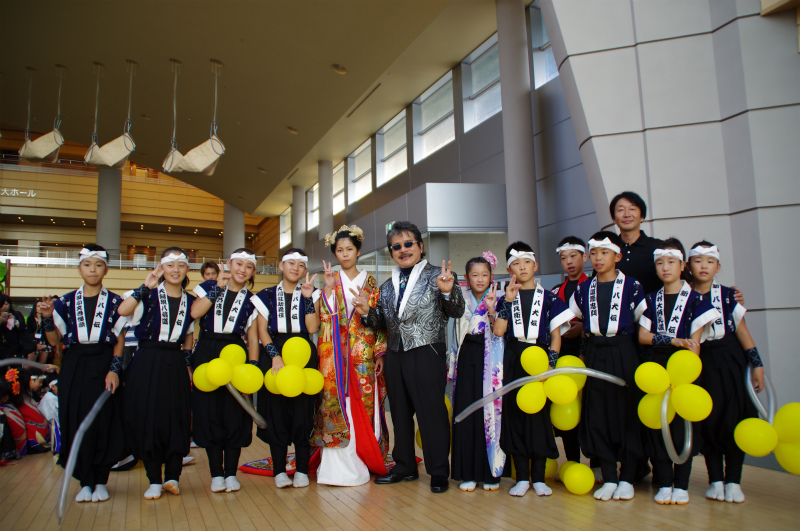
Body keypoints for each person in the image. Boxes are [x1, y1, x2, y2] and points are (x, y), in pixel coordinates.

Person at [354, 221, 465, 494]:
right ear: (391, 252)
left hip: (427, 352)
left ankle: (438, 471)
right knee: (400, 414)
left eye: (408, 244)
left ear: (420, 246)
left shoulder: (439, 275)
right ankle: (404, 465)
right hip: (395, 355)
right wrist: (367, 311)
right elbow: (382, 322)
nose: (402, 250)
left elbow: (457, 310)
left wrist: (447, 291)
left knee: (431, 414)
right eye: (396, 247)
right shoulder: (386, 286)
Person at [37, 244, 128, 503]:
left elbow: (120, 339)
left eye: (98, 265)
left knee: (104, 419)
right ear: (79, 269)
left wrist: (114, 370)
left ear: (106, 270)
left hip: (104, 361)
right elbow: (54, 340)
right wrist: (47, 317)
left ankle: (100, 480)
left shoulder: (116, 302)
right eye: (87, 265)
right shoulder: (65, 302)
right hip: (75, 363)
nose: (93, 270)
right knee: (75, 419)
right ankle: (84, 481)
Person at [638, 238, 719, 505]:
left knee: (684, 426)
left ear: (683, 265)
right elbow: (643, 336)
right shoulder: (651, 299)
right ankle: (664, 481)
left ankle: (681, 484)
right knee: (658, 425)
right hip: (657, 370)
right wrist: (673, 340)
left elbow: (694, 344)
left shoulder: (697, 300)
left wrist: (685, 358)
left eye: (671, 262)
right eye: (660, 263)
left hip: (684, 370)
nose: (665, 268)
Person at [568, 232, 647, 501]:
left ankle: (628, 478)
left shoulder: (633, 286)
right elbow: (572, 322)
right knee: (597, 415)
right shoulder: (583, 289)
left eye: (604, 252)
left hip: (624, 351)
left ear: (617, 256)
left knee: (626, 414)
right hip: (594, 352)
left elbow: (642, 324)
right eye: (593, 253)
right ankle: (610, 477)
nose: (598, 258)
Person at [493, 241, 574, 497]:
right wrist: (507, 301)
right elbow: (499, 331)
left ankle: (538, 477)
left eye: (527, 262)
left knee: (539, 418)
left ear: (535, 266)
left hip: (540, 357)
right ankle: (521, 478)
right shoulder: (506, 297)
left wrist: (552, 362)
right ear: (510, 269)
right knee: (515, 416)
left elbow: (556, 335)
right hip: (514, 358)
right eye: (516, 264)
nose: (522, 267)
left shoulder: (550, 298)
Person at [687, 241, 765, 504]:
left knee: (735, 417)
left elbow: (742, 331)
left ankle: (733, 480)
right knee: (709, 419)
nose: (704, 266)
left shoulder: (729, 296)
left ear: (718, 267)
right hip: (702, 360)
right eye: (698, 261)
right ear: (689, 265)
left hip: (731, 359)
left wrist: (757, 364)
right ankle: (715, 480)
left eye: (710, 261)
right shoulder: (685, 296)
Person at [313, 226, 390, 486]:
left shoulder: (371, 284)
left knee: (365, 405)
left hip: (363, 354)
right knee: (335, 404)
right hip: (335, 355)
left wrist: (380, 353)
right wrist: (327, 290)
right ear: (335, 253)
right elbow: (323, 318)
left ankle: (364, 457)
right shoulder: (331, 279)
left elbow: (380, 322)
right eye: (339, 250)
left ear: (358, 251)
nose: (345, 254)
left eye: (349, 249)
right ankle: (335, 462)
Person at [119, 248, 196, 500]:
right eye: (170, 265)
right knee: (148, 417)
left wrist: (187, 364)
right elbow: (123, 310)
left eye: (181, 265)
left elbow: (189, 336)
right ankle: (154, 479)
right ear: (161, 268)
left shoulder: (191, 301)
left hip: (175, 360)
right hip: (147, 360)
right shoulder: (148, 294)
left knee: (177, 416)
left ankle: (172, 477)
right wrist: (145, 286)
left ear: (186, 269)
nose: (176, 270)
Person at [190, 248, 260, 494]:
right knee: (209, 412)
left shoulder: (252, 300)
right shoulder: (209, 287)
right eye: (238, 264)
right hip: (207, 351)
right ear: (228, 264)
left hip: (235, 354)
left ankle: (231, 472)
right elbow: (195, 313)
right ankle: (216, 474)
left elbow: (252, 339)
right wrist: (217, 287)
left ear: (253, 271)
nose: (242, 270)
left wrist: (252, 368)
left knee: (234, 414)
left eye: (248, 266)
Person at [252, 248, 320, 489]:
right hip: (275, 352)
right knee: (276, 412)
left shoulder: (311, 292)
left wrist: (308, 298)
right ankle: (279, 470)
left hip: (303, 352)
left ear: (305, 270)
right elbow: (262, 330)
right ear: (281, 266)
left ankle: (302, 469)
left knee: (303, 412)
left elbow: (312, 328)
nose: (295, 268)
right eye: (291, 263)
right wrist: (275, 356)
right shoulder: (266, 295)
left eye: (300, 265)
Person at [448, 251, 506, 492]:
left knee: (489, 412)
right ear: (466, 277)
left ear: (491, 276)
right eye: (475, 275)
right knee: (466, 411)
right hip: (466, 355)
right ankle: (468, 473)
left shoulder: (500, 299)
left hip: (490, 358)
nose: (480, 279)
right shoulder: (460, 300)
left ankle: (490, 472)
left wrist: (492, 310)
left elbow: (501, 332)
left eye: (484, 274)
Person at [549, 236, 589, 467]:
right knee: (566, 405)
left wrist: (582, 328)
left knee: (590, 410)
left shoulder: (593, 286)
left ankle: (597, 464)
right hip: (563, 354)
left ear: (585, 257)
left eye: (574, 256)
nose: (569, 262)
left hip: (587, 354)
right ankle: (572, 460)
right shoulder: (556, 291)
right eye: (564, 258)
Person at [1, 294, 29, 359]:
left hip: (14, 346)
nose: (4, 306)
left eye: (6, 304)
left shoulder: (17, 314)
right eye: (2, 304)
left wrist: (15, 320)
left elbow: (22, 327)